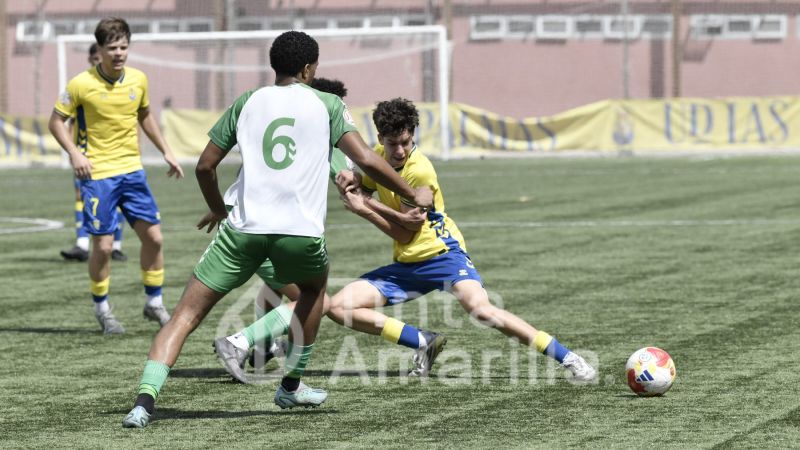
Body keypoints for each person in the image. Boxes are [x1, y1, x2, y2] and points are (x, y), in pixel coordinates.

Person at [121, 31, 433, 428]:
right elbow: (368, 161)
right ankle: (290, 384)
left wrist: (218, 208)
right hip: (297, 234)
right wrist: (411, 194)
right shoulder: (328, 104)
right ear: (308, 68)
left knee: (183, 316)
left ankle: (144, 404)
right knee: (315, 293)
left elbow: (204, 166)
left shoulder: (248, 100)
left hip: (242, 230)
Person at [217, 98, 597, 382]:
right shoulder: (380, 156)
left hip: (443, 255)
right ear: (379, 138)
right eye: (391, 142)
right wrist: (351, 180)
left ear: (413, 136)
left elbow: (405, 230)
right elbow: (363, 179)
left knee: (483, 311)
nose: (398, 151)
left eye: (405, 142)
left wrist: (364, 207)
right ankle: (424, 341)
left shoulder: (420, 170)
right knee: (337, 307)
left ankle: (568, 358)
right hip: (406, 264)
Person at [48, 18, 184, 335]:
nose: (119, 53)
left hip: (132, 172)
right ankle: (103, 309)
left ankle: (154, 303)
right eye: (113, 48)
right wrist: (75, 153)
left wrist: (166, 149)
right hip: (98, 175)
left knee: (154, 238)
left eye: (124, 47)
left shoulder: (138, 79)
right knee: (105, 247)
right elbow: (56, 122)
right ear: (100, 50)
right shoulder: (80, 85)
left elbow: (145, 114)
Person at [60, 43, 128, 263]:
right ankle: (82, 244)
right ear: (90, 59)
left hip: (117, 155)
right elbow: (66, 122)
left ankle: (116, 246)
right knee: (83, 196)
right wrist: (73, 152)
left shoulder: (124, 84)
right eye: (96, 58)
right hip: (86, 153)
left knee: (117, 198)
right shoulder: (82, 85)